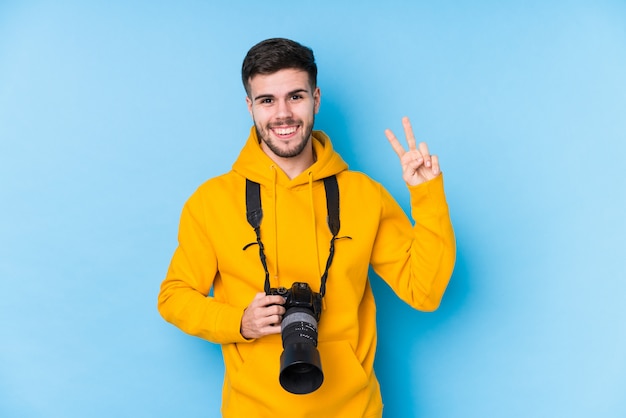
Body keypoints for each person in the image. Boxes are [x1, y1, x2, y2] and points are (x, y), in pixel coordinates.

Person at [158, 37, 455, 417]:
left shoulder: (364, 195)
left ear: (315, 99)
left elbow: (424, 291)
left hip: (353, 409)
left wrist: (426, 195)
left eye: (295, 97)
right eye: (267, 100)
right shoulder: (212, 201)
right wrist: (239, 321)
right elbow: (173, 296)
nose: (282, 114)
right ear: (250, 107)